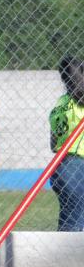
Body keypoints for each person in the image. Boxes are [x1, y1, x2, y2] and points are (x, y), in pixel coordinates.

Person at [49, 55, 84, 232]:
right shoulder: (81, 102)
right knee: (77, 222)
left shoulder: (59, 104)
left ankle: (62, 258)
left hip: (61, 166)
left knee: (68, 217)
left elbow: (53, 143)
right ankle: (73, 259)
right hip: (78, 165)